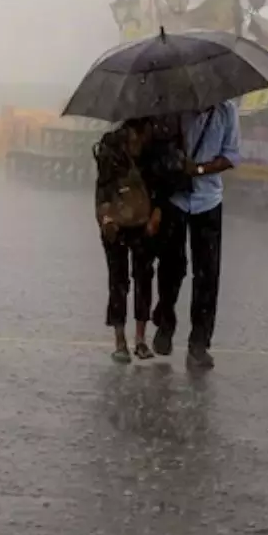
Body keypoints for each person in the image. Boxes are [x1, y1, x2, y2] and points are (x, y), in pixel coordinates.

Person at [152, 98, 241, 370]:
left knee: (207, 274)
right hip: (176, 198)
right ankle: (165, 322)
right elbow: (161, 146)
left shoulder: (227, 112)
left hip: (208, 200)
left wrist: (200, 169)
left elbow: (231, 156)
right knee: (171, 267)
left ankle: (199, 343)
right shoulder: (176, 109)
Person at [93, 118, 164, 363]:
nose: (139, 141)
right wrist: (106, 217)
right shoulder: (109, 147)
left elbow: (161, 184)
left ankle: (141, 340)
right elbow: (103, 186)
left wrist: (157, 212)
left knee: (144, 276)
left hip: (144, 223)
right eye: (136, 136)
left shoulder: (155, 147)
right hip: (116, 221)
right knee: (118, 279)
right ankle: (120, 340)